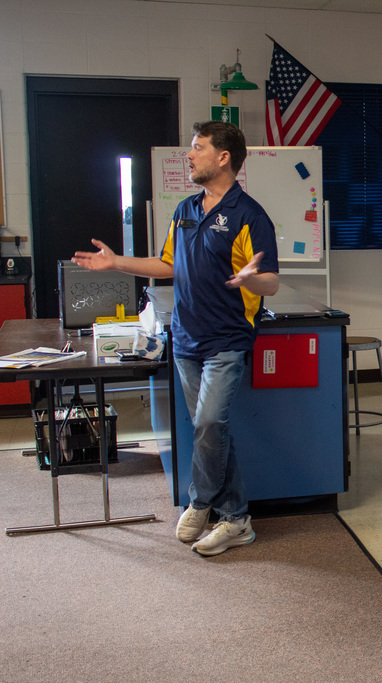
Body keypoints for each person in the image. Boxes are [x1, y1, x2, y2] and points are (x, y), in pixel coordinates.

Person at [73, 121, 279, 557]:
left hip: (227, 339)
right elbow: (167, 266)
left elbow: (271, 284)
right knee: (213, 432)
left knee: (209, 425)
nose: (189, 155)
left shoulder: (250, 215)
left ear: (223, 157)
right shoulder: (185, 209)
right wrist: (115, 264)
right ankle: (236, 518)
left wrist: (251, 279)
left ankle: (201, 501)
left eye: (197, 148)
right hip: (185, 337)